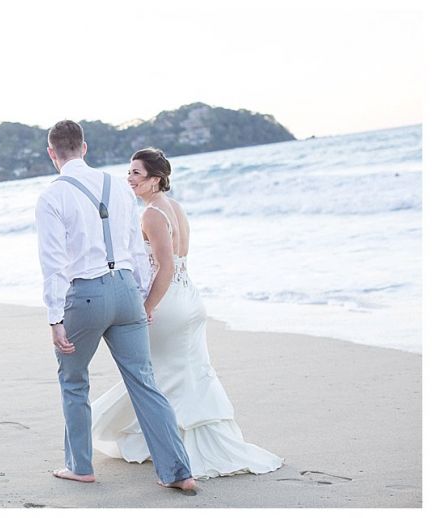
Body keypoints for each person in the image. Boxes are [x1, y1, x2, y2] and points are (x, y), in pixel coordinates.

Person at [91, 147, 284, 479]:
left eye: (137, 173)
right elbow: (182, 259)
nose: (130, 178)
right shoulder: (175, 208)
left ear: (155, 179)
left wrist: (147, 307)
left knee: (161, 375)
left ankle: (174, 446)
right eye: (129, 172)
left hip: (169, 304)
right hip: (190, 299)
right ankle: (181, 441)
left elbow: (164, 267)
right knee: (189, 372)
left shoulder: (151, 214)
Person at [35, 121, 197, 491]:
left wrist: (54, 318)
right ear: (84, 147)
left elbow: (53, 263)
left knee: (74, 381)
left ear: (52, 153)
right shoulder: (117, 187)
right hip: (126, 291)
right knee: (144, 381)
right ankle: (178, 472)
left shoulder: (52, 196)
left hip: (86, 295)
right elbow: (135, 252)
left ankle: (80, 465)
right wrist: (140, 300)